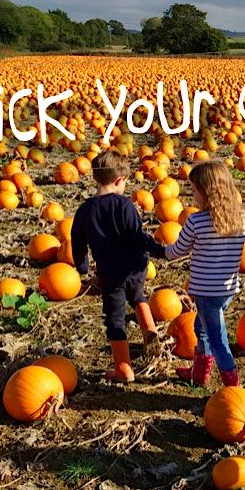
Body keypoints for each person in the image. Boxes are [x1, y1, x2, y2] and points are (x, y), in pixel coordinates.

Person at [165, 160, 245, 388]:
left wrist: (160, 250)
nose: (192, 195)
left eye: (194, 190)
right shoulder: (239, 217)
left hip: (205, 292)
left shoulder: (196, 221)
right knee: (202, 328)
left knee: (218, 341)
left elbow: (177, 251)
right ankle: (199, 375)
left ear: (206, 192)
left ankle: (233, 386)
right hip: (226, 291)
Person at [71, 151, 165, 383]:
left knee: (115, 318)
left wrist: (82, 267)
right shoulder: (125, 206)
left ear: (95, 178)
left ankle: (123, 368)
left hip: (110, 273)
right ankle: (149, 327)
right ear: (119, 180)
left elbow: (77, 240)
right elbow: (137, 236)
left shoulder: (86, 210)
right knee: (138, 295)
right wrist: (159, 250)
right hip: (135, 266)